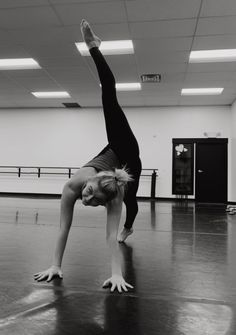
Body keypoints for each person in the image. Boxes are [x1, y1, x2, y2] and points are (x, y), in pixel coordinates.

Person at [34, 20, 142, 293]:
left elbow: (109, 236)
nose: (87, 199)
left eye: (94, 201)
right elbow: (63, 228)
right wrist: (55, 265)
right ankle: (94, 46)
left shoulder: (114, 195)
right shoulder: (73, 186)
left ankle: (129, 227)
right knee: (108, 94)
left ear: (107, 200)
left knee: (132, 201)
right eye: (91, 193)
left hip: (130, 165)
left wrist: (117, 273)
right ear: (91, 182)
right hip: (123, 146)